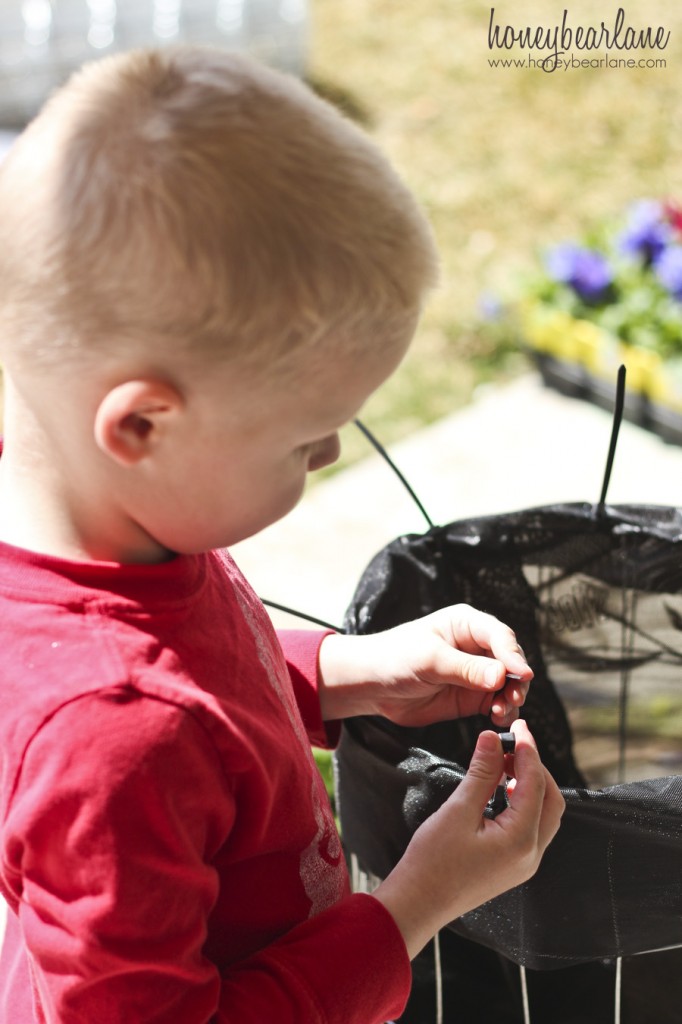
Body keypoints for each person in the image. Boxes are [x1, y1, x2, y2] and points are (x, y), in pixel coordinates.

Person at [0, 45, 564, 1023]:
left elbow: (189, 687)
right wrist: (413, 904)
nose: (333, 451)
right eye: (304, 439)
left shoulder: (102, 524)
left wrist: (343, 671)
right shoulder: (110, 737)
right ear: (140, 425)